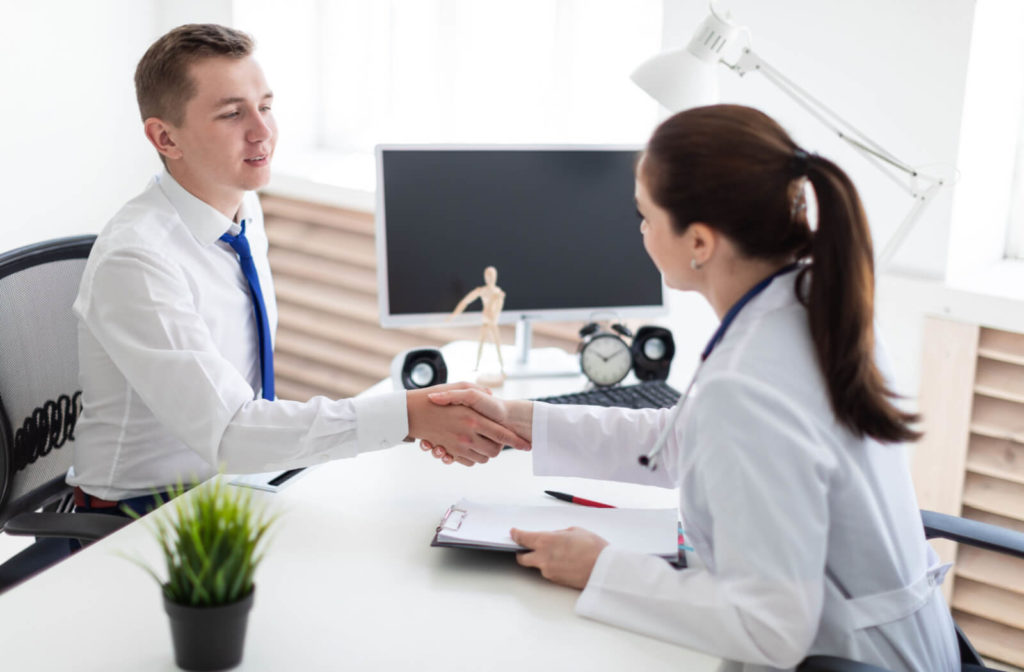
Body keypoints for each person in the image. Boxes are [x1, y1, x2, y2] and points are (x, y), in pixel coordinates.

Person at [420, 105, 960, 671]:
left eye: (645, 215)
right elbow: (684, 439)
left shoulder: (750, 377)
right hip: (905, 640)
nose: (641, 231)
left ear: (699, 241)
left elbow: (771, 627)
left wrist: (599, 567)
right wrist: (516, 419)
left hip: (851, 658)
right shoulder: (811, 302)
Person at [67, 24, 528, 517]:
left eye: (265, 106)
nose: (262, 131)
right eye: (231, 113)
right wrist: (406, 417)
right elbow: (231, 433)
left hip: (233, 486)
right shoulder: (137, 260)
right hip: (141, 516)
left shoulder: (243, 211)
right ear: (165, 137)